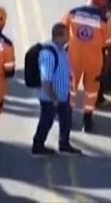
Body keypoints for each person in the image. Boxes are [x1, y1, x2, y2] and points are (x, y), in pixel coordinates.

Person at [61, 0, 111, 132]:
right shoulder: (104, 20)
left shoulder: (72, 13)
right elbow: (109, 42)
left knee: (71, 88)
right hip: (94, 60)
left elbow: (61, 29)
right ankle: (87, 120)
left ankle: (68, 117)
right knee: (91, 91)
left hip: (73, 58)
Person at [31, 24, 80, 155]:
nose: (69, 37)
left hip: (62, 95)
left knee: (66, 119)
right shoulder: (48, 53)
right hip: (50, 98)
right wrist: (53, 99)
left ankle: (64, 144)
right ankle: (37, 146)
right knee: (46, 121)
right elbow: (45, 80)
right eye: (66, 35)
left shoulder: (61, 50)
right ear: (59, 36)